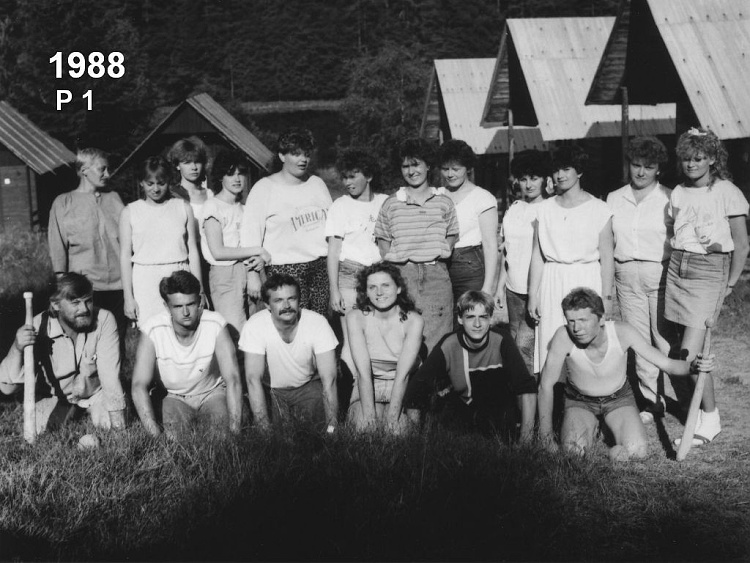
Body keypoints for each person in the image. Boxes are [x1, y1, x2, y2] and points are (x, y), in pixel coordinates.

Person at [538, 288, 715, 462]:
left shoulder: (622, 332)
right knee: (574, 453)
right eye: (571, 321)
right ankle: (593, 425)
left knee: (636, 451)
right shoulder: (563, 337)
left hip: (618, 400)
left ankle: (608, 428)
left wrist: (693, 366)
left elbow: (667, 364)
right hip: (580, 401)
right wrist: (546, 438)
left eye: (583, 320)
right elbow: (545, 385)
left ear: (601, 318)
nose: (576, 328)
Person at [666, 127, 749, 446]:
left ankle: (710, 418)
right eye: (687, 158)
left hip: (709, 270)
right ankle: (700, 411)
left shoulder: (727, 191)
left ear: (713, 159)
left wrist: (729, 283)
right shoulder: (678, 192)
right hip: (678, 267)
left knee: (690, 353)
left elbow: (742, 244)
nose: (692, 164)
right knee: (682, 350)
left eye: (699, 158)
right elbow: (675, 231)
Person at [403, 291, 537, 441]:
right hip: (463, 415)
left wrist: (526, 441)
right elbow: (415, 391)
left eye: (483, 317)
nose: (477, 324)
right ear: (460, 319)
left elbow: (527, 389)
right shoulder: (449, 344)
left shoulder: (501, 340)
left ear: (490, 318)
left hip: (498, 416)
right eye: (470, 317)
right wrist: (414, 438)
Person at [0, 273, 126, 433]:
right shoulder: (37, 327)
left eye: (88, 300)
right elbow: (7, 388)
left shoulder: (104, 319)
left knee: (109, 423)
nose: (84, 309)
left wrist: (119, 429)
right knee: (41, 430)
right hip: (56, 397)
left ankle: (89, 413)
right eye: (75, 303)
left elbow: (110, 378)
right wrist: (17, 348)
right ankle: (68, 411)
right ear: (56, 304)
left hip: (95, 394)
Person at [527, 145, 615, 373]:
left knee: (585, 341)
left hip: (587, 279)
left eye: (566, 169)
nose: (560, 175)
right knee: (551, 343)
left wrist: (606, 297)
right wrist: (532, 294)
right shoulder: (544, 209)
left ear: (580, 171)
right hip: (553, 280)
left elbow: (607, 257)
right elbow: (537, 255)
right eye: (556, 170)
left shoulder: (599, 208)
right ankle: (553, 391)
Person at [606, 137, 673, 423]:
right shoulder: (614, 198)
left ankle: (686, 398)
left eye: (649, 166)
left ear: (659, 169)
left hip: (660, 274)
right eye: (636, 165)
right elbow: (607, 241)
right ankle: (652, 401)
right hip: (626, 274)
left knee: (665, 341)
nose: (641, 172)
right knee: (640, 342)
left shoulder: (670, 198)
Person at [131, 271, 242, 437]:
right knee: (175, 438)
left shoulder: (215, 323)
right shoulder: (153, 329)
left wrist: (235, 431)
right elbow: (138, 385)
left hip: (211, 393)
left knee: (220, 436)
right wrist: (154, 436)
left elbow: (233, 378)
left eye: (190, 304)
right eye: (177, 306)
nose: (185, 312)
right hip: (173, 395)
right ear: (166, 306)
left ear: (200, 301)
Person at [374, 138, 459, 353]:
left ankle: (436, 375)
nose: (411, 171)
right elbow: (383, 239)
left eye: (416, 164)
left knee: (439, 338)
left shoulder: (443, 201)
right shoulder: (392, 203)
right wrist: (395, 263)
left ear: (428, 165)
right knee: (403, 336)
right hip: (403, 275)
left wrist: (443, 250)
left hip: (436, 276)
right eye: (406, 166)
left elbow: (452, 232)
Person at [241, 128, 332, 317]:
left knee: (319, 323)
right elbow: (250, 236)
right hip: (285, 270)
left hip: (320, 268)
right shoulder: (264, 188)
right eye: (296, 154)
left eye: (306, 154)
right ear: (282, 156)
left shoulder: (317, 183)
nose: (303, 159)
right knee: (291, 323)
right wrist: (252, 275)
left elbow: (332, 227)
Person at [239, 274, 339, 430]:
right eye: (278, 300)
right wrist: (264, 433)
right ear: (267, 305)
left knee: (315, 433)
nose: (286, 305)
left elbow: (329, 379)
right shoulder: (255, 325)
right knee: (277, 435)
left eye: (291, 298)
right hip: (271, 391)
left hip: (306, 387)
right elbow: (253, 379)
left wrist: (332, 428)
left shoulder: (317, 322)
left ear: (299, 300)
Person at [48, 148, 127, 339]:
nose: (107, 174)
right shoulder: (63, 202)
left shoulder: (114, 198)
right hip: (85, 290)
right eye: (102, 169)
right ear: (84, 170)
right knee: (87, 340)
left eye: (108, 169)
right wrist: (64, 289)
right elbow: (57, 247)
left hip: (119, 286)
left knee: (117, 341)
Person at [119, 156, 204, 326]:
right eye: (150, 184)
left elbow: (193, 251)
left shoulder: (183, 207)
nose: (156, 189)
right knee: (151, 331)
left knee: (183, 327)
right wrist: (128, 297)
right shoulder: (130, 212)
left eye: (161, 183)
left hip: (179, 273)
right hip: (145, 279)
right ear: (141, 183)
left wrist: (199, 289)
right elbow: (125, 256)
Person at [326, 149, 388, 374]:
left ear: (368, 176)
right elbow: (333, 252)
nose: (348, 183)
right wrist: (334, 290)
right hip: (350, 277)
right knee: (352, 341)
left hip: (379, 276)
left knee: (378, 336)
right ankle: (352, 391)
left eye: (353, 176)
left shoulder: (384, 202)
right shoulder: (340, 206)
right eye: (345, 177)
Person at [201, 149, 271, 339]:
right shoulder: (212, 207)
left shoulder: (245, 208)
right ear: (220, 176)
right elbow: (218, 252)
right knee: (235, 331)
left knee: (259, 327)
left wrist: (256, 265)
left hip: (250, 269)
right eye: (230, 173)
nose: (237, 178)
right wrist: (258, 250)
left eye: (241, 173)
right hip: (225, 274)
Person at [346, 263, 424, 432]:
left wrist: (392, 419)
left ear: (398, 288)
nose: (379, 292)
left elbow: (403, 376)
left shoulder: (414, 321)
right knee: (364, 428)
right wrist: (369, 418)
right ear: (366, 292)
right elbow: (363, 374)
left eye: (386, 285)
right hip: (370, 382)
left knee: (396, 432)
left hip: (403, 383)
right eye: (372, 287)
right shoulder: (356, 318)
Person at [496, 150, 552, 379]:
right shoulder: (515, 208)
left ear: (545, 179)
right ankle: (522, 393)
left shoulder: (549, 209)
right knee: (516, 343)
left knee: (527, 346)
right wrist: (500, 286)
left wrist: (534, 293)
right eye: (523, 179)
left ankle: (536, 393)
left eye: (534, 178)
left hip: (537, 290)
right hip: (513, 290)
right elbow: (507, 251)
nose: (528, 185)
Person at [437, 140, 498, 306]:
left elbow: (490, 245)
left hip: (470, 268)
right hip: (441, 266)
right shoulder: (437, 194)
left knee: (470, 314)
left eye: (456, 169)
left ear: (468, 168)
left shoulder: (483, 198)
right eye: (445, 169)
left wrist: (487, 287)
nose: (450, 174)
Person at [167, 136, 212, 220]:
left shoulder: (210, 194)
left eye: (197, 162)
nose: (194, 167)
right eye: (187, 162)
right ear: (177, 165)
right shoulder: (172, 195)